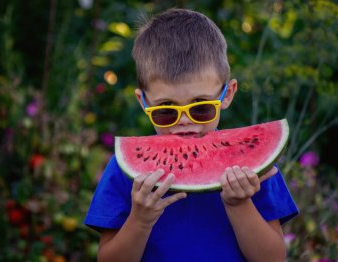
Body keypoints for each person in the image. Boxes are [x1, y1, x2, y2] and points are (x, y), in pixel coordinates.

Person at [85, 8, 298, 262]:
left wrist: (239, 204)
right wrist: (139, 220)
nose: (185, 123)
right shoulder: (123, 171)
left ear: (227, 94)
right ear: (143, 102)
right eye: (166, 111)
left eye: (201, 108)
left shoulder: (253, 171)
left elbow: (273, 259)